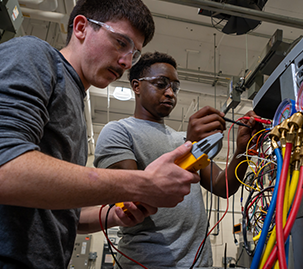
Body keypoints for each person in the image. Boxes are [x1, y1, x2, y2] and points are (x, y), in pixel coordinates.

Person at [0, 0, 201, 268]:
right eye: (120, 42)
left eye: (135, 53)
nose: (127, 61)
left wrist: (110, 216)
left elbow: (59, 213)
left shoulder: (74, 101)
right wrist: (141, 184)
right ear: (81, 27)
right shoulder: (32, 55)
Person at [94, 51, 261, 268]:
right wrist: (188, 151)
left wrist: (242, 149)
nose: (170, 93)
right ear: (136, 86)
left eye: (175, 86)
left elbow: (223, 186)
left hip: (199, 264)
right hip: (146, 263)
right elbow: (130, 200)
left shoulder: (183, 139)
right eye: (161, 84)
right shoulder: (118, 131)